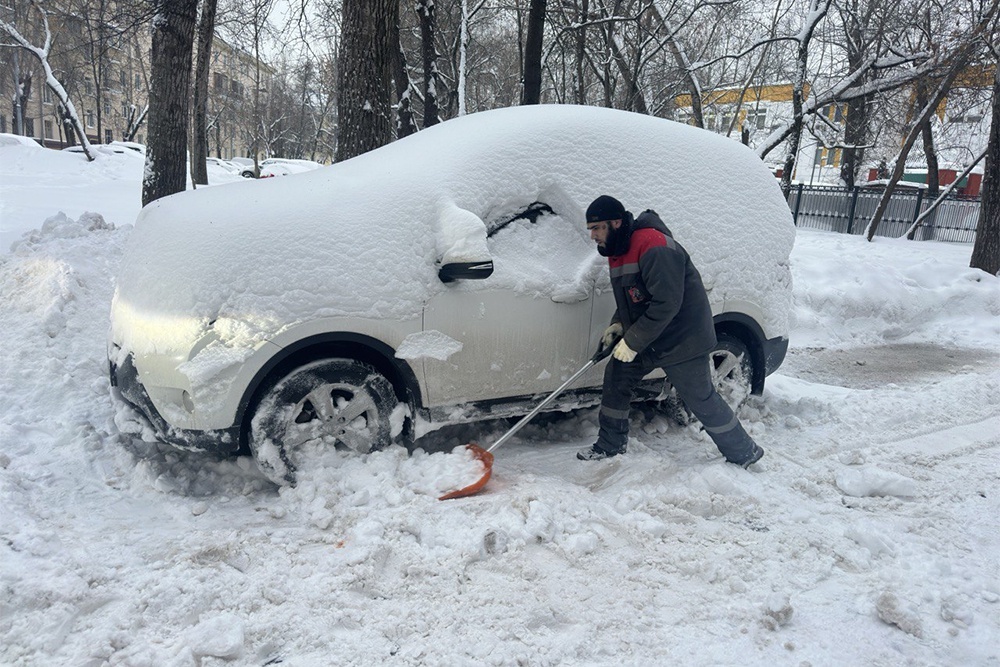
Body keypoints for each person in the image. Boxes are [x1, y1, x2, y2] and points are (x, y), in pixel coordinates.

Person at [577, 194, 764, 468]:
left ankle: (744, 453)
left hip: (681, 338)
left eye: (597, 228)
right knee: (617, 375)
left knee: (700, 398)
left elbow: (667, 304)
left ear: (615, 223)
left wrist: (632, 341)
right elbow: (633, 300)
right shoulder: (617, 250)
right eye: (590, 229)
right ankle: (610, 445)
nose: (593, 236)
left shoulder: (654, 246)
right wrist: (618, 326)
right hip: (651, 337)